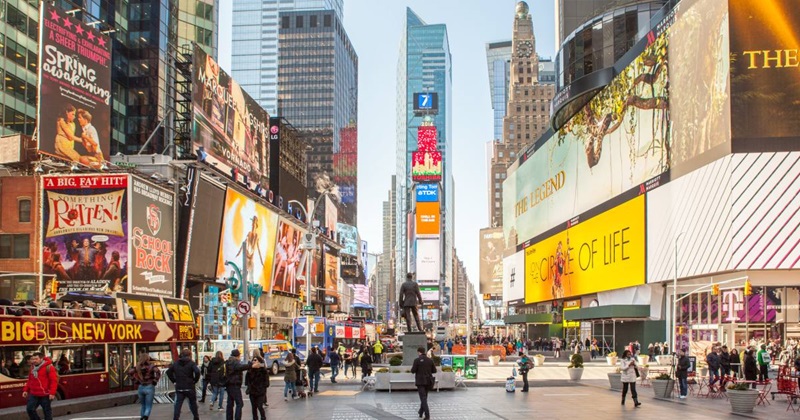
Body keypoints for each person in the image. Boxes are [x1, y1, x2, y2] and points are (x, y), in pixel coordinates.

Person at [166, 348, 200, 420]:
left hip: (179, 386)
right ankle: (196, 417)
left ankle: (176, 418)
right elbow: (197, 371)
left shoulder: (176, 363)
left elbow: (168, 372)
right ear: (190, 355)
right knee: (193, 403)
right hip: (190, 386)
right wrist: (195, 380)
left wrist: (174, 381)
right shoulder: (191, 363)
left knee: (178, 404)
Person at [224, 349, 258, 420]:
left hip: (228, 384)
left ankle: (229, 418)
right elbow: (240, 367)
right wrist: (250, 365)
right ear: (237, 356)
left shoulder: (228, 362)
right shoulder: (235, 362)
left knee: (230, 403)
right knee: (239, 403)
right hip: (235, 384)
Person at [23, 352, 58, 420]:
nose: (34, 361)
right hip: (34, 394)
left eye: (36, 359)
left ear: (41, 359)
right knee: (30, 409)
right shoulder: (32, 367)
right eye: (33, 359)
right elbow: (30, 380)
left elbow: (53, 381)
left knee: (47, 412)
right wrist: (26, 390)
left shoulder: (49, 367)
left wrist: (52, 393)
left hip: (45, 394)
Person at [127, 353, 161, 420]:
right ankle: (145, 417)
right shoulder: (151, 366)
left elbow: (129, 373)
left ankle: (142, 417)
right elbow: (158, 372)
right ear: (148, 358)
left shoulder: (137, 366)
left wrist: (136, 381)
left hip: (141, 387)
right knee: (148, 405)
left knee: (143, 405)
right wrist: (155, 380)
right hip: (149, 386)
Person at [411, 347, 436, 420]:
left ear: (419, 352)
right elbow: (434, 371)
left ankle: (427, 415)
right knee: (424, 397)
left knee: (423, 398)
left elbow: (413, 370)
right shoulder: (430, 360)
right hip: (428, 381)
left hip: (420, 382)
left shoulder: (417, 360)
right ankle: (421, 412)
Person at [245, 352, 269, 420]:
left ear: (259, 361)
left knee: (259, 406)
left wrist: (263, 387)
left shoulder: (263, 371)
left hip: (260, 392)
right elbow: (247, 381)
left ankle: (263, 417)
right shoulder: (250, 371)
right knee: (253, 407)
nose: (254, 361)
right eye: (253, 360)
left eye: (256, 360)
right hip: (252, 391)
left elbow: (267, 383)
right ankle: (255, 418)